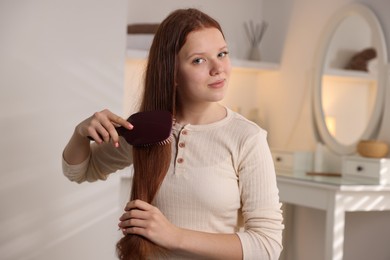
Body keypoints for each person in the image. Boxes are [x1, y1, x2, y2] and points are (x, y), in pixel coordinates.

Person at [62, 8, 284, 260]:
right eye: (199, 60)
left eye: (222, 54)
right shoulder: (148, 129)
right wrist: (80, 133)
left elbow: (267, 246)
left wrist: (174, 236)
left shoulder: (247, 138)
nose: (218, 68)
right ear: (172, 72)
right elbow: (79, 171)